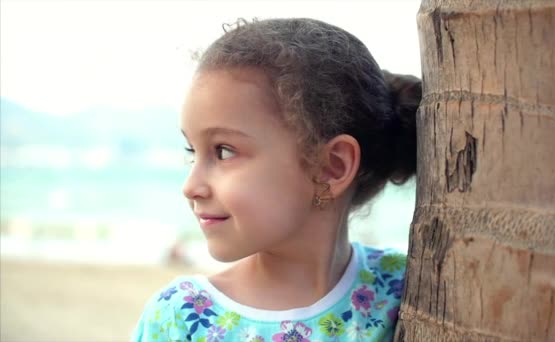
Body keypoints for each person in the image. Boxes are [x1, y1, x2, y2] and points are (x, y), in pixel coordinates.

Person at [132, 17, 421, 342]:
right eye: (191, 151)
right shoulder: (178, 319)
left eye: (224, 151)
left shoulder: (407, 289)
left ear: (332, 167)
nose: (190, 186)